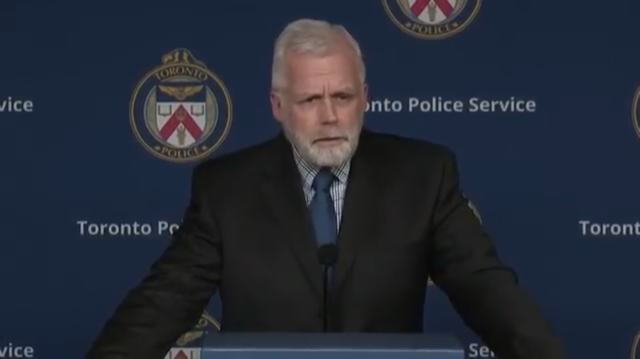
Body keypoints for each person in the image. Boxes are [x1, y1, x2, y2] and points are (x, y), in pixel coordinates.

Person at [86, 19, 567, 359]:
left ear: (365, 98)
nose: (330, 116)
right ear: (277, 105)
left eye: (343, 96)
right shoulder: (226, 189)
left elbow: (490, 293)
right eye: (310, 99)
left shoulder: (423, 174)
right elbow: (161, 304)